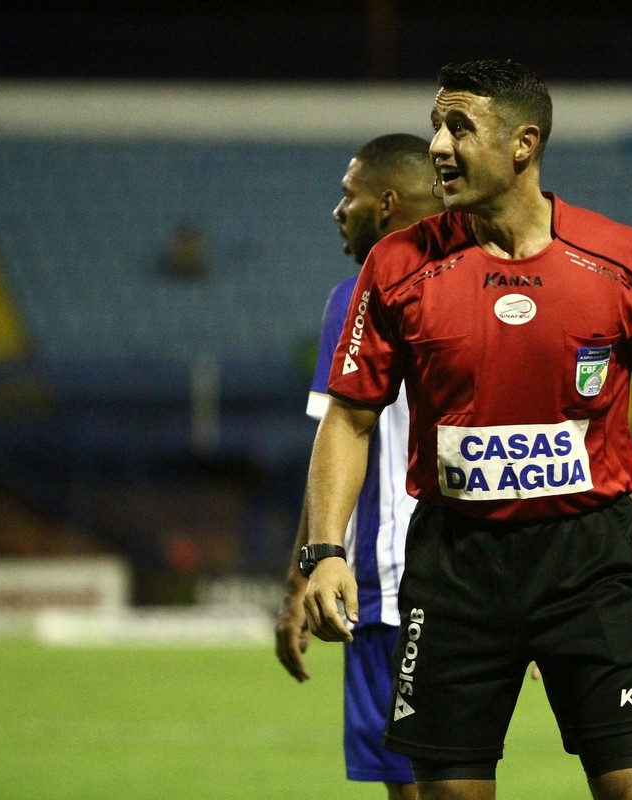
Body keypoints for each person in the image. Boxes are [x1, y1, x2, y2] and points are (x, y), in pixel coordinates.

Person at [300, 59, 632, 800]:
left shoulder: (627, 261)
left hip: (590, 563)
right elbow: (349, 417)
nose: (438, 144)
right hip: (455, 566)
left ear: (523, 145)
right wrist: (324, 552)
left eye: (459, 127)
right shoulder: (397, 266)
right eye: (437, 124)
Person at [275, 133, 444, 800]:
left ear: (388, 204)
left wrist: (303, 577)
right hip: (476, 578)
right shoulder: (485, 286)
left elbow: (337, 449)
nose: (337, 211)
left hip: (389, 585)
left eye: (349, 196)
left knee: (413, 790)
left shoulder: (356, 300)